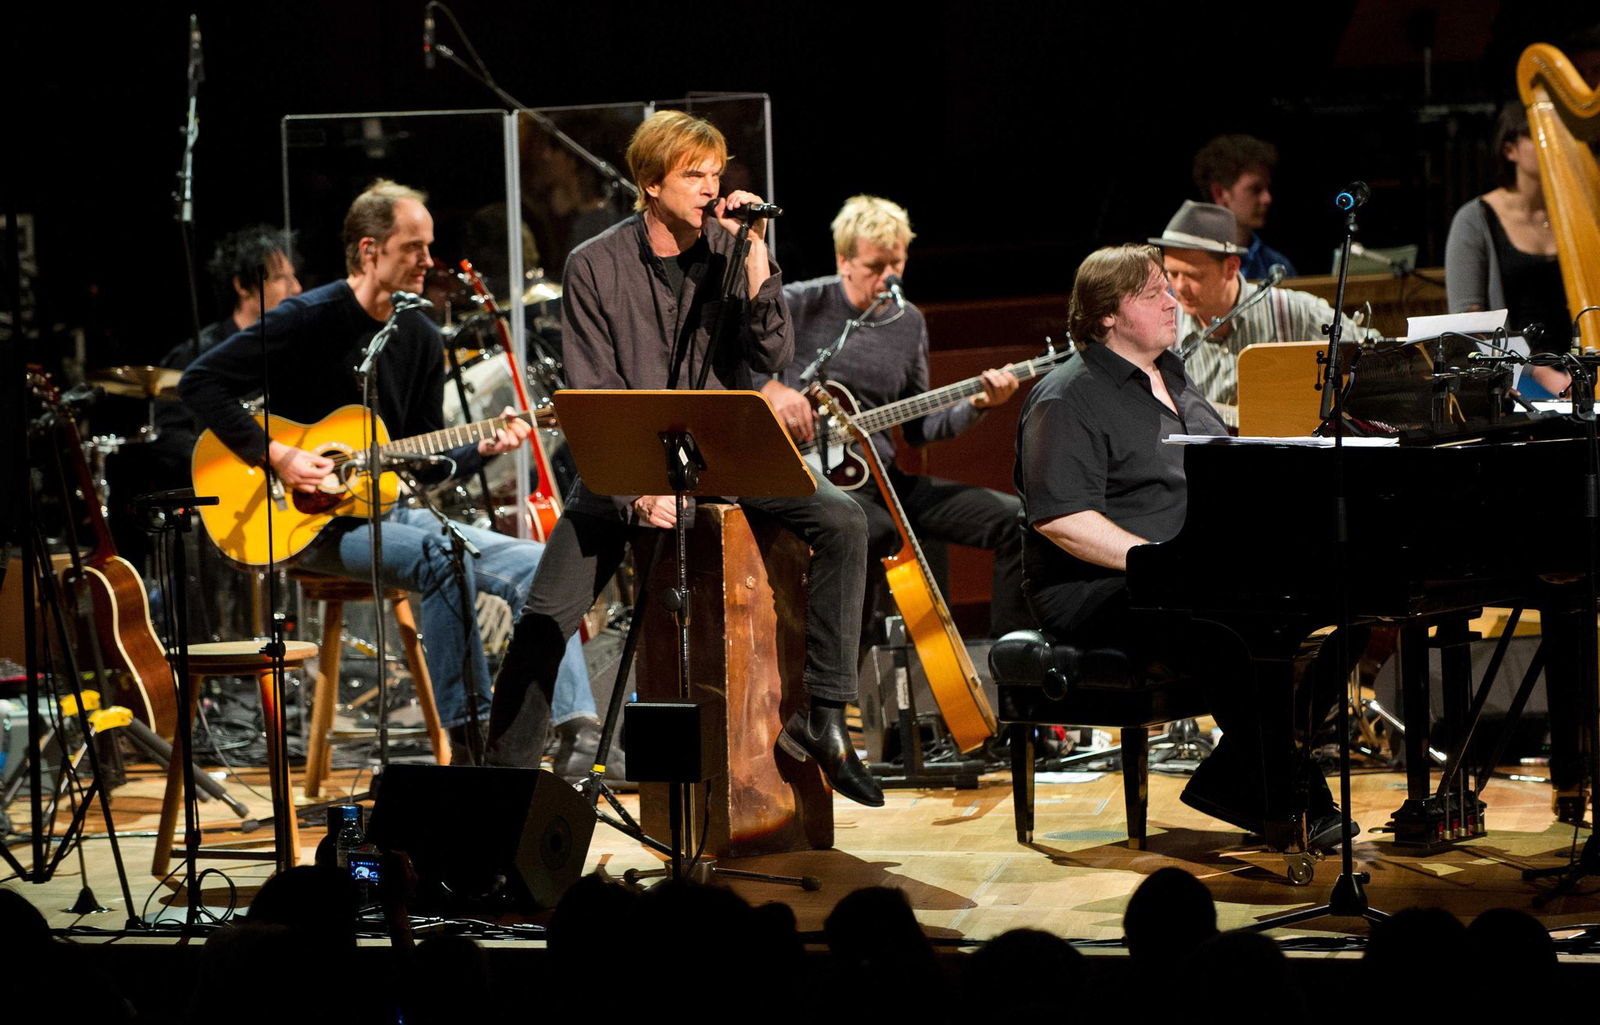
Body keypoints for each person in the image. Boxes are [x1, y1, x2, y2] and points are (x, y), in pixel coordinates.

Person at [485, 110, 883, 807]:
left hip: (723, 453)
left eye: (715, 175)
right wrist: (636, 491)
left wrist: (755, 256)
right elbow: (593, 392)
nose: (710, 188)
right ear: (650, 184)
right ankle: (504, 791)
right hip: (625, 464)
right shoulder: (595, 265)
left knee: (846, 520)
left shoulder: (734, 250)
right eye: (693, 175)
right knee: (544, 618)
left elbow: (772, 354)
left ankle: (823, 716)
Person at [179, 179, 592, 765]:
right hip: (308, 525)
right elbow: (200, 383)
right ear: (370, 251)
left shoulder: (419, 335)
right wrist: (279, 455)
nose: (428, 260)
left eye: (429, 246)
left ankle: (578, 729)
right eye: (413, 247)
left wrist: (485, 447)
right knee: (445, 558)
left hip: (387, 512)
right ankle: (471, 739)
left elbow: (420, 464)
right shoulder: (306, 318)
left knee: (540, 562)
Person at [1013, 243, 1353, 850]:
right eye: (1154, 294)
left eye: (1169, 290)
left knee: (1347, 610)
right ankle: (1292, 799)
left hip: (1188, 572)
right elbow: (1062, 518)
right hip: (1098, 587)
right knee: (1225, 629)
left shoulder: (1174, 375)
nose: (1172, 303)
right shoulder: (1067, 396)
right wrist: (1158, 560)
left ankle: (1240, 778)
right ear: (1107, 314)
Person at [760, 195, 1031, 641]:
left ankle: (1013, 661)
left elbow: (920, 429)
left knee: (1016, 521)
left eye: (897, 264)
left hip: (882, 479)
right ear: (843, 261)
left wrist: (978, 406)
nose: (889, 277)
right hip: (811, 479)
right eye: (875, 266)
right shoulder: (800, 303)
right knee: (872, 528)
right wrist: (773, 390)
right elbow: (736, 369)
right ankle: (847, 667)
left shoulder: (909, 323)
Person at [1152, 200, 1376, 428]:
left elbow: (1375, 353)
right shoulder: (1165, 324)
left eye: (1193, 275)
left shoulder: (1288, 310)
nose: (1179, 287)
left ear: (1231, 267)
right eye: (1172, 274)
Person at [1445, 100, 1570, 398]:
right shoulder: (1475, 220)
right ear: (1509, 149)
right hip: (1515, 378)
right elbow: (1470, 325)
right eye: (1539, 135)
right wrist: (1539, 372)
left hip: (1579, 368)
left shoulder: (1576, 216)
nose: (1552, 144)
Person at [1191, 133, 1296, 280]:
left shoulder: (1276, 266)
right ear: (1220, 193)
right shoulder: (1188, 263)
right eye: (1255, 189)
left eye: (1267, 188)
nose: (1267, 198)